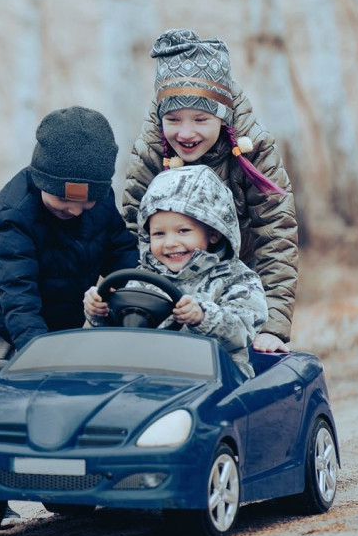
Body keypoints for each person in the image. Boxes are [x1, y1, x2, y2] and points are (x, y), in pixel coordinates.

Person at [0, 106, 139, 407]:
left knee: (49, 404)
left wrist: (135, 292)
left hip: (59, 313)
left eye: (85, 203)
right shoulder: (15, 215)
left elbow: (121, 250)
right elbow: (18, 296)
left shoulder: (100, 203)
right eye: (63, 201)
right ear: (41, 181)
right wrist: (40, 357)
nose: (74, 211)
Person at [120, 29, 297, 354]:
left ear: (222, 116)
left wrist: (272, 325)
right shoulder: (150, 151)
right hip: (168, 288)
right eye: (173, 119)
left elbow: (276, 235)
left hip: (236, 287)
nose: (185, 133)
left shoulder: (253, 149)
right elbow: (136, 232)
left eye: (200, 119)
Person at [87, 165, 267, 378]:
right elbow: (126, 334)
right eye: (159, 234)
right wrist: (100, 312)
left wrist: (203, 317)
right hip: (149, 378)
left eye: (183, 231)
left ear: (214, 234)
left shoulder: (237, 278)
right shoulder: (144, 277)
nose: (170, 243)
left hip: (217, 378)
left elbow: (243, 329)